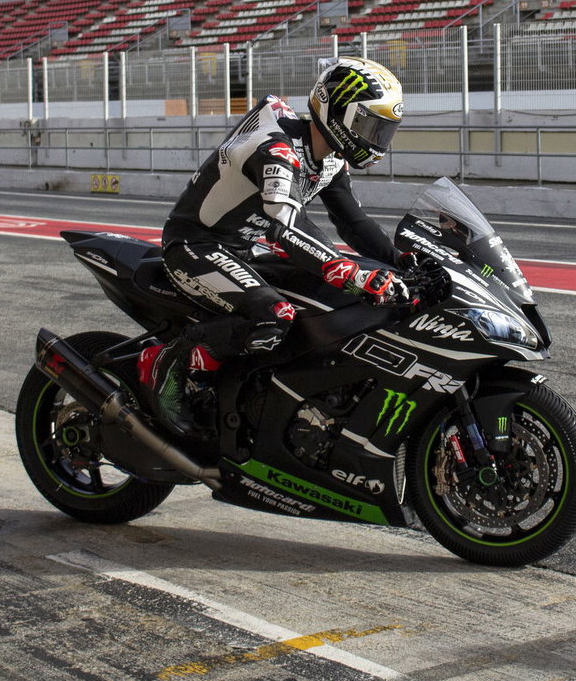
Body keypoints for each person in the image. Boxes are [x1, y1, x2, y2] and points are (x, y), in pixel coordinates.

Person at [144, 55, 410, 436]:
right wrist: (350, 272)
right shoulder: (278, 150)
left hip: (244, 249)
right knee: (276, 315)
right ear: (336, 112)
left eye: (382, 129)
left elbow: (353, 223)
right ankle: (172, 359)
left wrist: (400, 261)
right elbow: (284, 228)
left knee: (318, 301)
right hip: (197, 245)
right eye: (368, 125)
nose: (375, 139)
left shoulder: (331, 157)